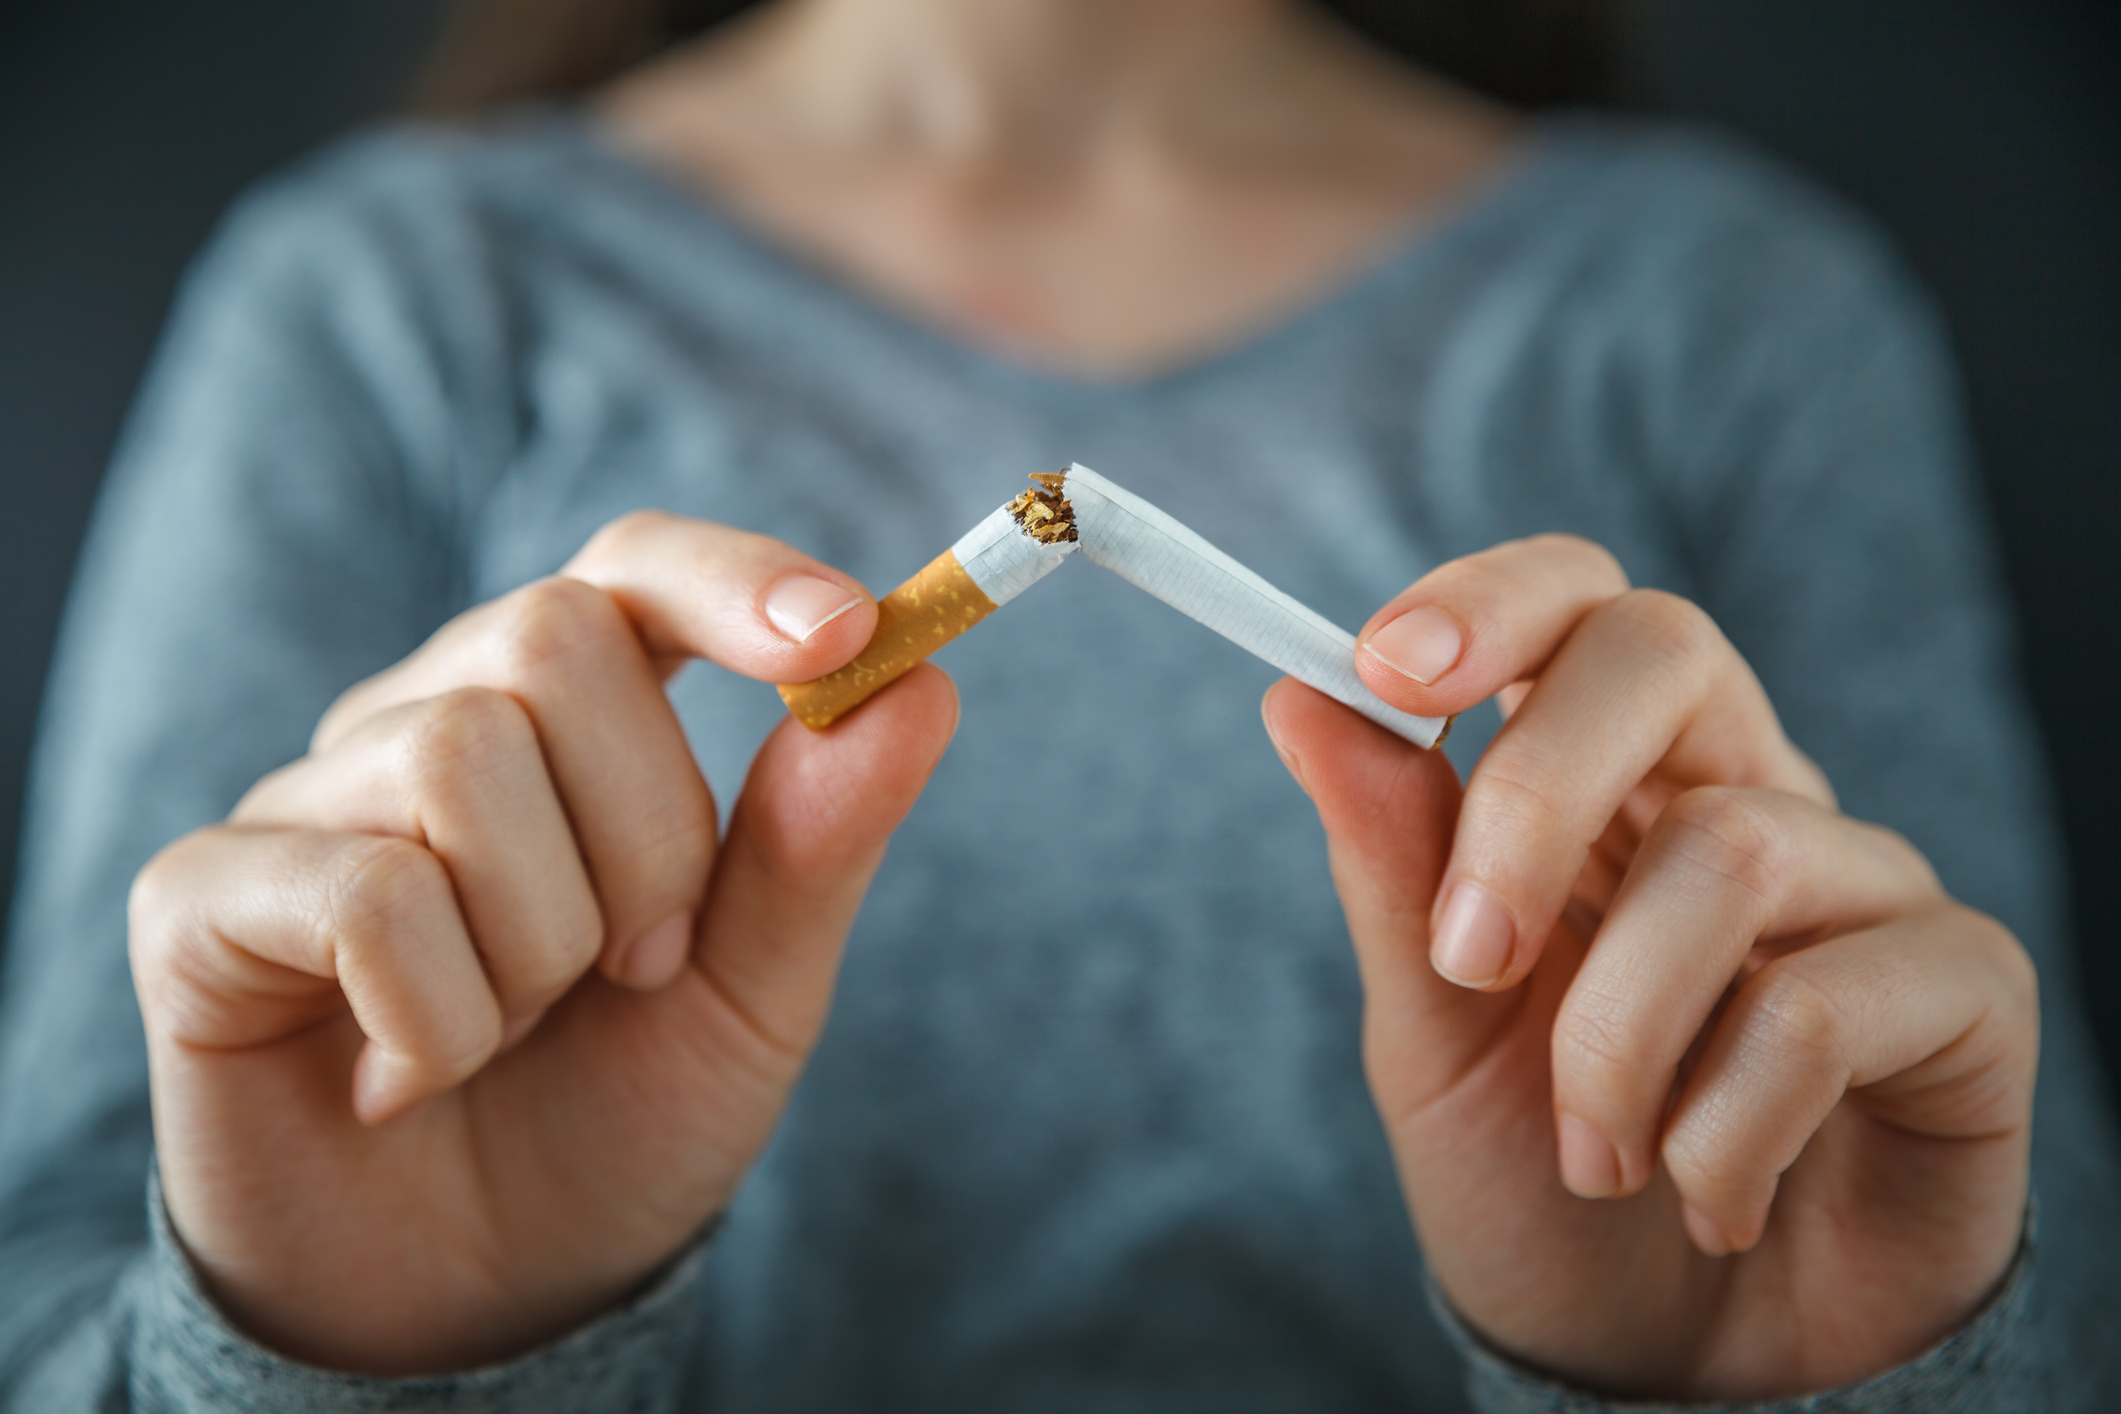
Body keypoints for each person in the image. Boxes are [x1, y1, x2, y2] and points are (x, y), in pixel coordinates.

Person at [0, 0, 2114, 1407]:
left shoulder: (1719, 309)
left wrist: (1821, 1370)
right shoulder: (396, 295)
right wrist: (344, 1344)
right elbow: (54, 1298)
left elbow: (2024, 1260)